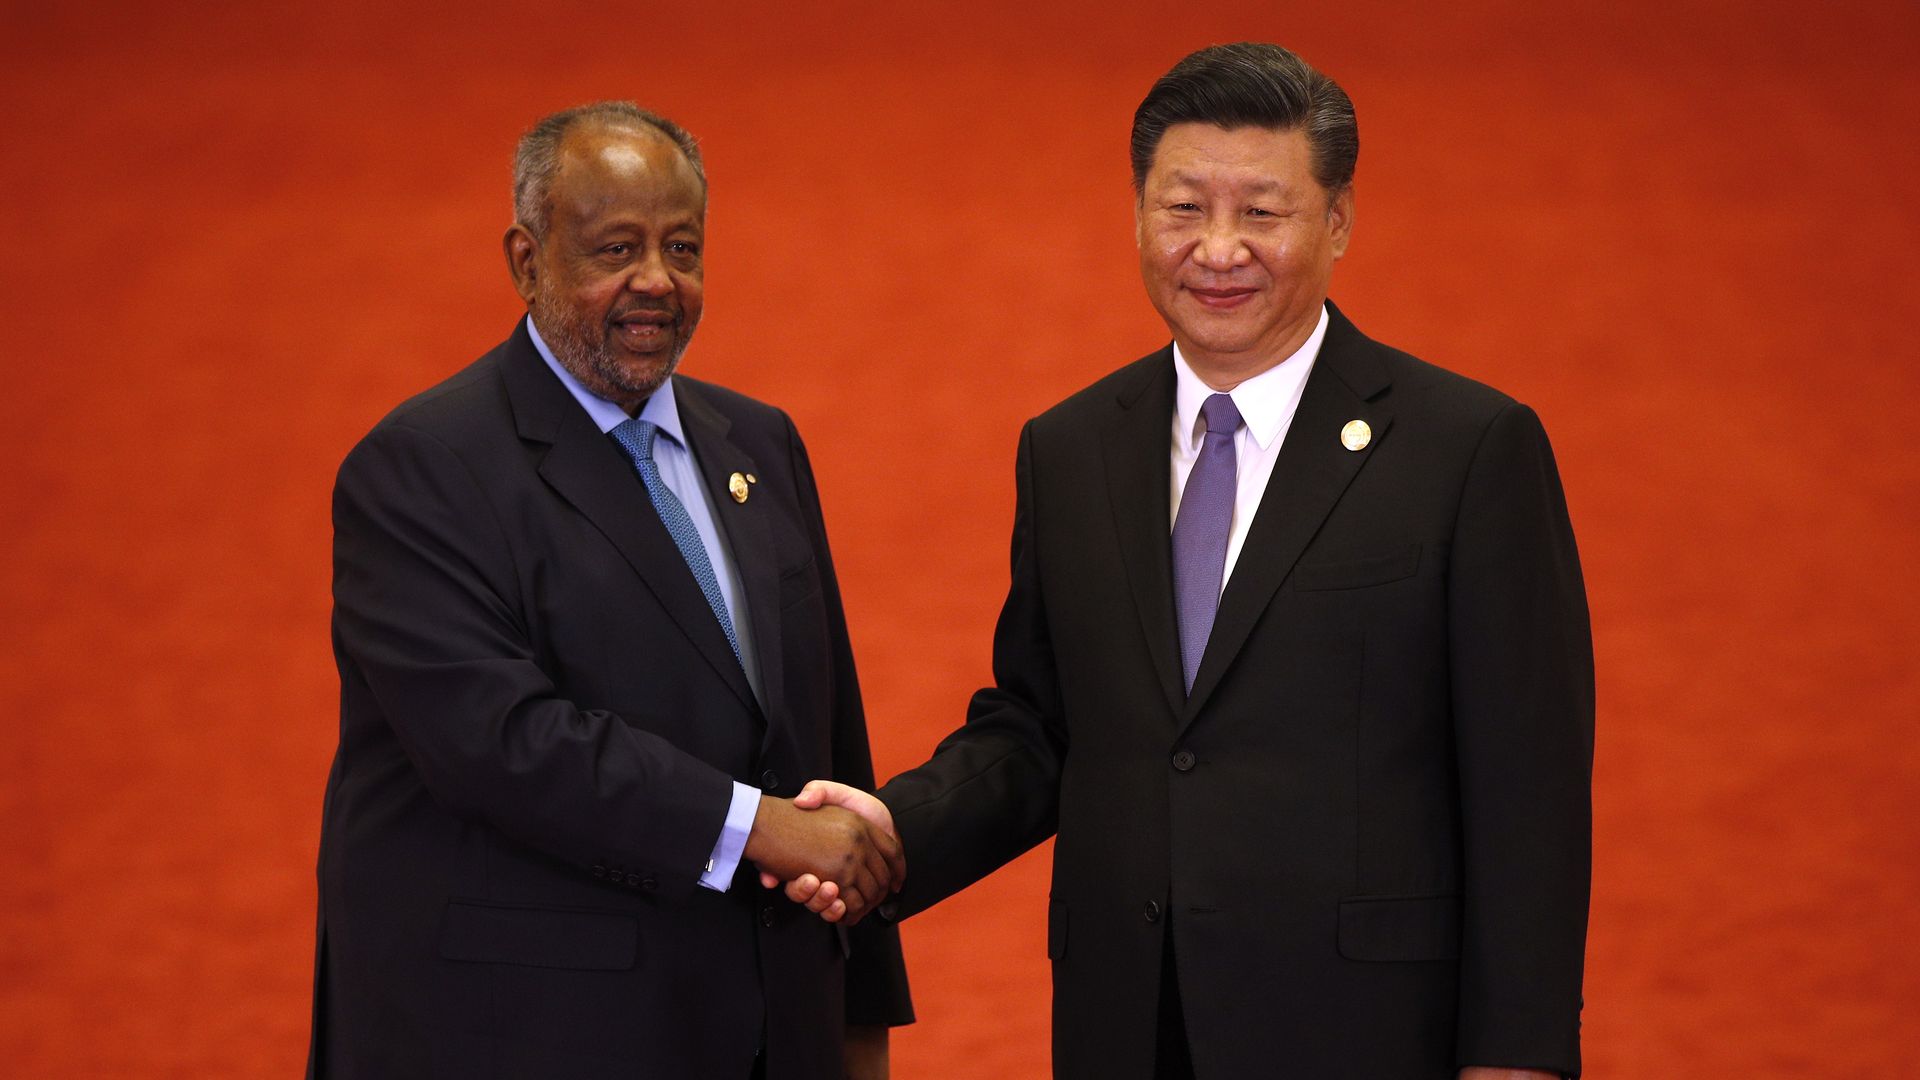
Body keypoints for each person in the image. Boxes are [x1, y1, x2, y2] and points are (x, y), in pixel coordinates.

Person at [781, 43, 1593, 1079]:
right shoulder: (1071, 448)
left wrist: (1517, 1056)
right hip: (1130, 1022)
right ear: (1136, 214)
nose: (1218, 250)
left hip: (1368, 1031)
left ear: (1338, 223)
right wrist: (894, 826)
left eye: (1262, 212)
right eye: (1182, 210)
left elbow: (1529, 788)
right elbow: (1042, 727)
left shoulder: (1468, 449)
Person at [308, 101, 911, 1079]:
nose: (656, 283)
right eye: (615, 248)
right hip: (528, 1037)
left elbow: (826, 739)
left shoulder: (758, 444)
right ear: (526, 259)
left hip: (768, 1031)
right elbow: (501, 745)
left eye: (682, 247)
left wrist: (857, 1026)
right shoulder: (421, 468)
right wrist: (760, 828)